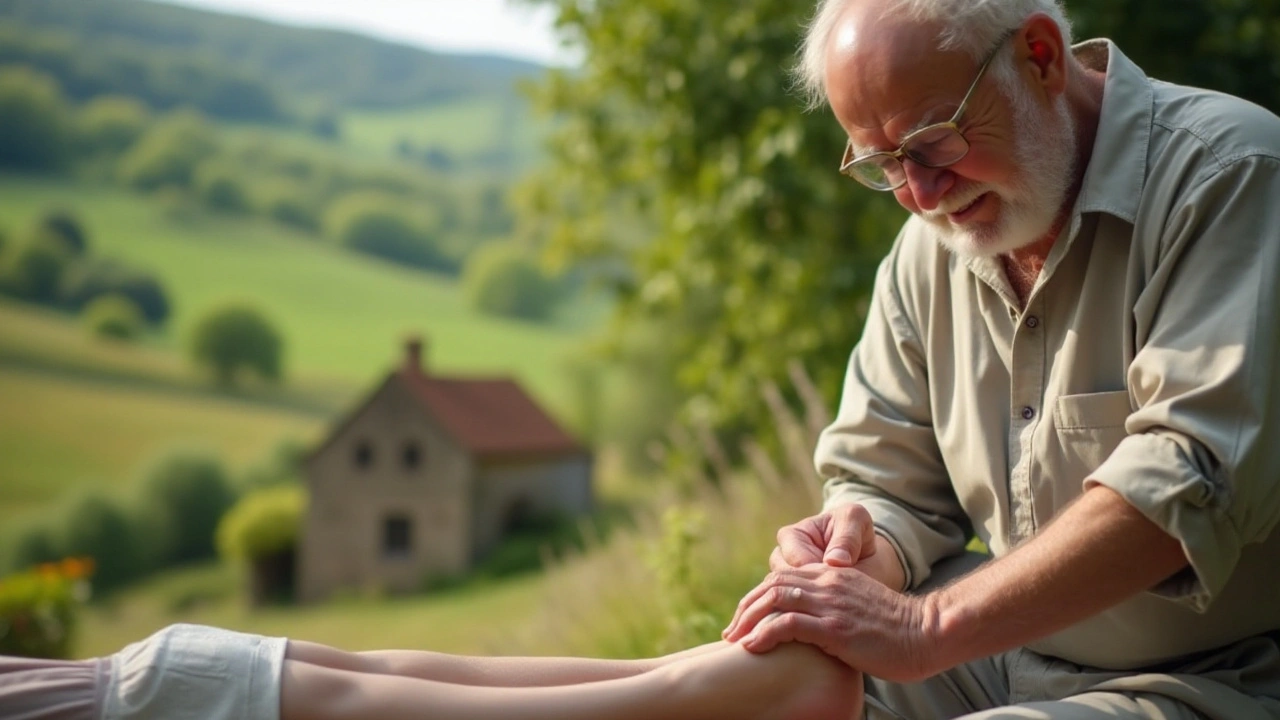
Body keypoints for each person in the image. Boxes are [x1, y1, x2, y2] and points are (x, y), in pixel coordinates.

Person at [721, 0, 1280, 718]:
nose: (920, 195)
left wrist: (924, 629)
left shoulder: (1233, 175)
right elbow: (885, 478)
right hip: (1003, 659)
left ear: (1040, 57)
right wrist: (858, 545)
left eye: (933, 141)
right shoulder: (930, 249)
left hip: (1218, 678)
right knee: (771, 684)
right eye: (883, 164)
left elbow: (1186, 481)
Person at [0, 621, 861, 720]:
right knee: (398, 676)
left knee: (400, 698)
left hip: (142, 703)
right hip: (149, 680)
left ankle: (714, 684)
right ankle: (723, 675)